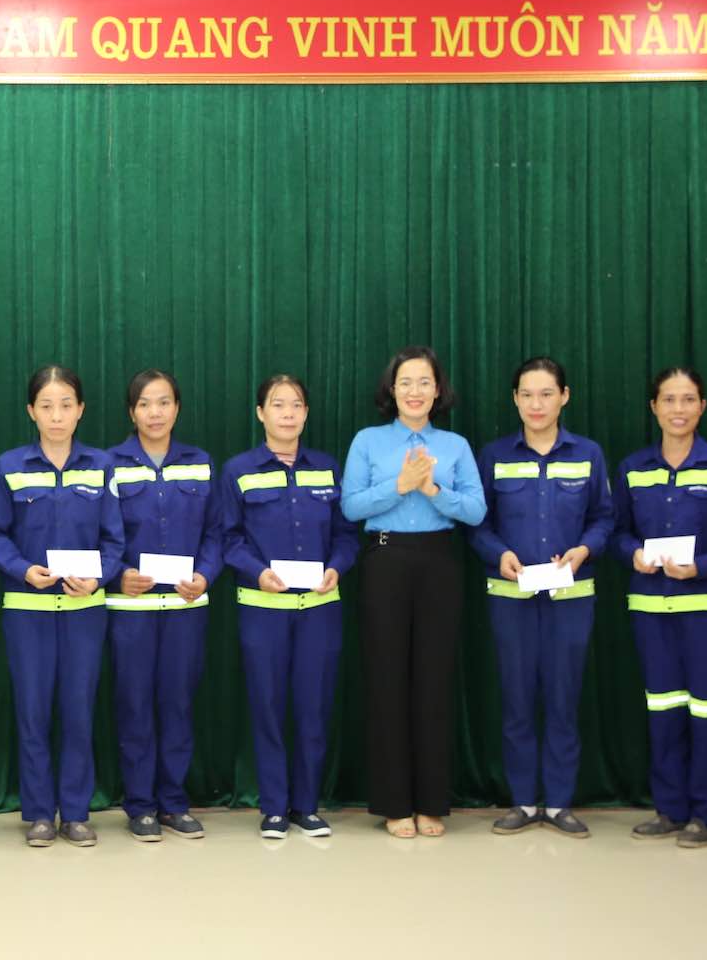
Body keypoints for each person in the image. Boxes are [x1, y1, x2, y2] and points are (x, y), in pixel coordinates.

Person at [341, 346, 486, 839]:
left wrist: (433, 492)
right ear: (392, 389)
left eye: (425, 382)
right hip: (385, 560)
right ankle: (394, 803)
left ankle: (431, 802)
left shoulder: (455, 445)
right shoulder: (368, 441)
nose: (415, 391)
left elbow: (476, 511)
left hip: (439, 563)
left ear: (438, 390)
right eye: (406, 382)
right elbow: (351, 506)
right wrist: (400, 485)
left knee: (433, 681)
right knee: (387, 680)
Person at [468, 357, 614, 838]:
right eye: (527, 394)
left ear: (564, 397)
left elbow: (604, 517)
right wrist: (500, 554)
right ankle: (524, 801)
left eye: (547, 393)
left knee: (562, 698)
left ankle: (558, 803)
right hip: (510, 596)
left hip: (571, 597)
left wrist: (584, 549)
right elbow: (478, 524)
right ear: (515, 399)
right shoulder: (494, 455)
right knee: (516, 698)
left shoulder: (588, 453)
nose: (537, 404)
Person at [0, 365, 123, 847]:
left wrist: (99, 576)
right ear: (31, 411)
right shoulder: (9, 466)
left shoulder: (101, 466)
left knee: (78, 710)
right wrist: (23, 569)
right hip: (28, 609)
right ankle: (41, 812)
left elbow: (114, 538)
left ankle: (77, 813)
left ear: (81, 410)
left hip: (85, 611)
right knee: (33, 710)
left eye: (66, 405)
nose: (56, 416)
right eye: (46, 406)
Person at [613, 366, 707, 848]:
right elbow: (618, 531)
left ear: (703, 406)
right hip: (650, 607)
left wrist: (702, 567)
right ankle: (669, 809)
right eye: (669, 400)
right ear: (654, 406)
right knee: (664, 708)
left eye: (688, 399)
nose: (679, 409)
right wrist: (632, 553)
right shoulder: (633, 468)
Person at [218, 373, 358, 839]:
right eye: (278, 405)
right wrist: (258, 572)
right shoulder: (239, 470)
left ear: (306, 413)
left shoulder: (327, 468)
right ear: (261, 413)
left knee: (313, 707)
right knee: (268, 706)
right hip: (263, 608)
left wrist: (337, 566)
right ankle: (274, 807)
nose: (288, 414)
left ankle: (307, 805)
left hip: (319, 609)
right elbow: (229, 539)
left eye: (296, 404)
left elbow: (346, 535)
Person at [106, 369, 223, 841]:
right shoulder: (109, 464)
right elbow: (100, 532)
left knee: (177, 704)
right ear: (131, 411)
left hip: (184, 608)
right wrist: (118, 574)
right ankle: (140, 805)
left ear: (177, 408)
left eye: (164, 403)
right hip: (131, 610)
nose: (154, 413)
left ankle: (173, 802)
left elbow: (215, 532)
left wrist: (205, 574)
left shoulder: (200, 462)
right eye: (144, 404)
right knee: (134, 705)